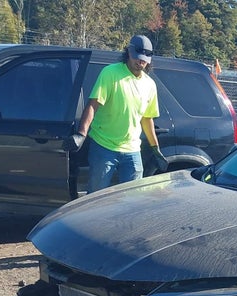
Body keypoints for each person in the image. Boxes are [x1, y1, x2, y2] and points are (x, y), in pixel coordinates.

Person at [64, 34, 168, 192]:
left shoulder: (150, 85)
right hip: (104, 146)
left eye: (144, 60)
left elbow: (147, 119)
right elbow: (93, 105)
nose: (140, 62)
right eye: (137, 58)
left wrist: (155, 148)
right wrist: (81, 134)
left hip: (132, 150)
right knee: (97, 195)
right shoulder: (110, 73)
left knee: (133, 196)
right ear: (129, 52)